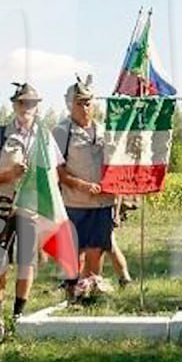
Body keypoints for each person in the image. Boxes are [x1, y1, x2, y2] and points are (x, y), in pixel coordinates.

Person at [0, 82, 63, 338]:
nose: (27, 107)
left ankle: (19, 316)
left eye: (32, 103)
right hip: (1, 207)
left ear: (37, 107)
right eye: (22, 103)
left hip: (30, 210)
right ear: (14, 105)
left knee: (26, 264)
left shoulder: (46, 137)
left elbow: (54, 176)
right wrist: (9, 174)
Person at [53, 76, 117, 300]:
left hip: (103, 202)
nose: (84, 107)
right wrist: (81, 185)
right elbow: (58, 171)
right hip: (75, 202)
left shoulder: (103, 131)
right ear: (69, 104)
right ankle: (71, 293)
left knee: (97, 248)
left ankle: (91, 291)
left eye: (88, 102)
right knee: (73, 250)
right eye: (79, 103)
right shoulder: (61, 132)